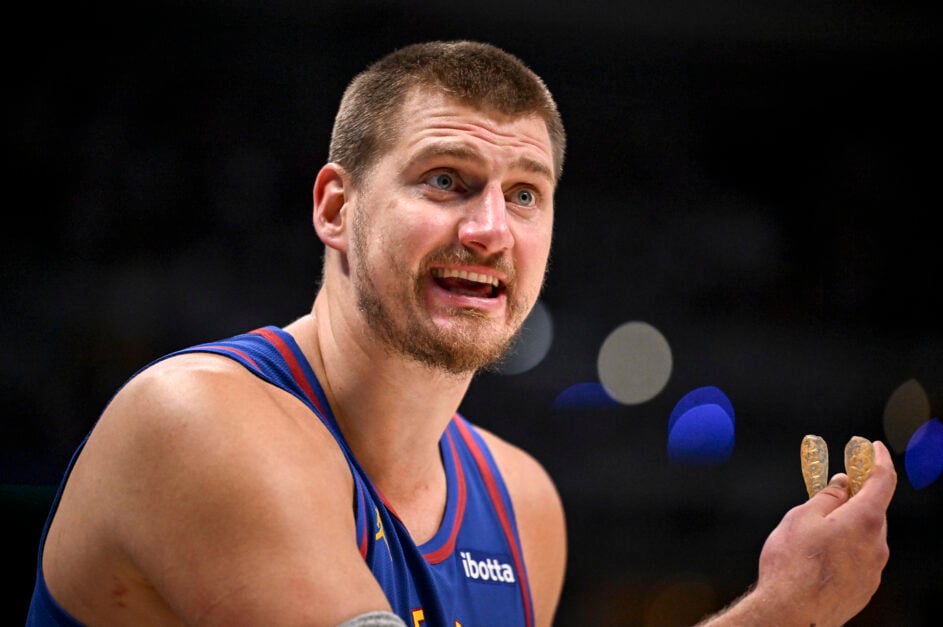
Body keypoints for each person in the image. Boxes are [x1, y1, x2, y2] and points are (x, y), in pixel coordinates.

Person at [27, 40, 896, 627]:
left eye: (524, 194)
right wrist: (780, 611)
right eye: (445, 179)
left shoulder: (522, 505)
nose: (489, 230)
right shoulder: (197, 422)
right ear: (335, 207)